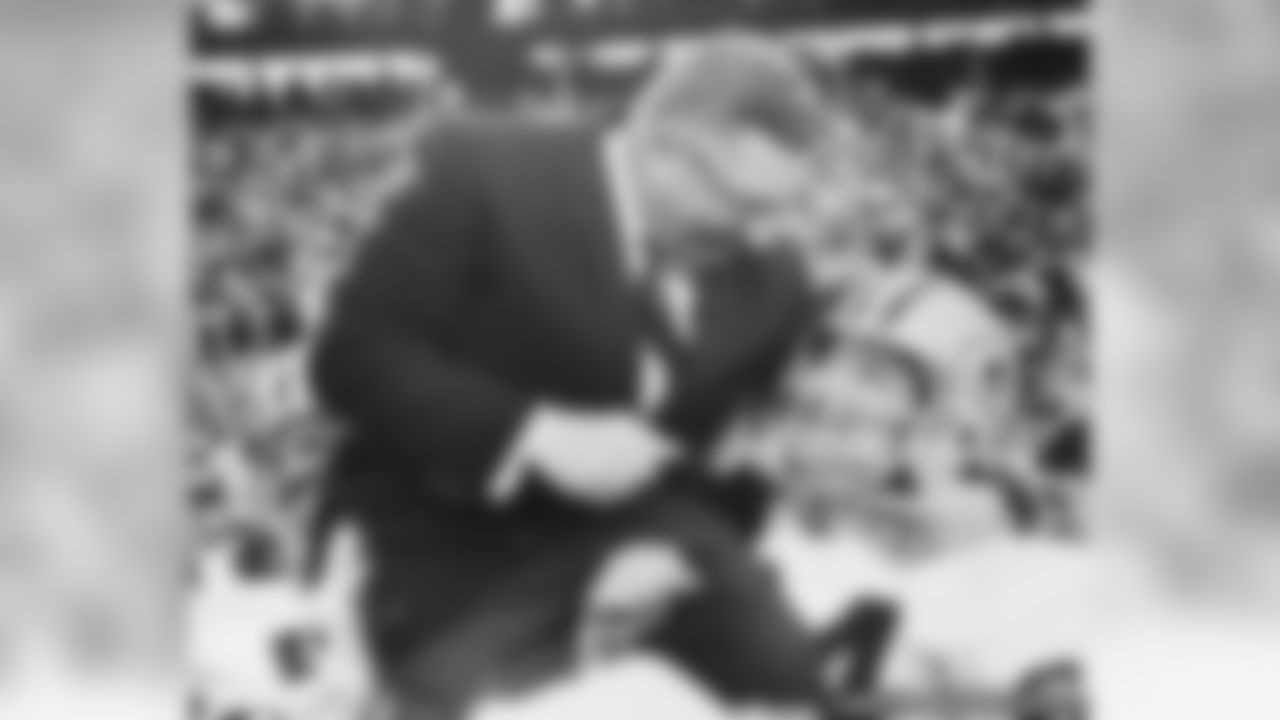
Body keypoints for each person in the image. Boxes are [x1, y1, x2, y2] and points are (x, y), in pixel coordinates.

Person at [310, 35, 846, 718]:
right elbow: (356, 355)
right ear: (662, 149)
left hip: (654, 528)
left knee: (790, 686)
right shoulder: (488, 172)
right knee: (456, 701)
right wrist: (533, 433)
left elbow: (751, 440)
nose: (757, 233)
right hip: (455, 532)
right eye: (741, 204)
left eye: (776, 209)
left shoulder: (771, 274)